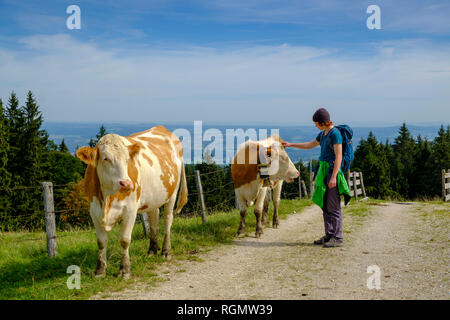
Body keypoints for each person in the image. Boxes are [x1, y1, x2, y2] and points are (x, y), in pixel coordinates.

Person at [282, 108, 350, 248]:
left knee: (333, 206)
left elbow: (339, 156)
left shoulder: (335, 134)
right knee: (325, 205)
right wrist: (291, 144)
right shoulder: (323, 134)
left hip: (331, 172)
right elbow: (309, 145)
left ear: (322, 122)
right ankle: (329, 234)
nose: (315, 125)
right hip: (323, 171)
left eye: (316, 123)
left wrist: (333, 177)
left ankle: (337, 237)